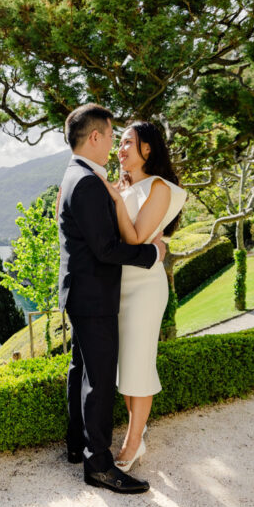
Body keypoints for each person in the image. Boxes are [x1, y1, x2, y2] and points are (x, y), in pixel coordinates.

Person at [57, 103, 166, 495]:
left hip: (81, 290)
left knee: (81, 371)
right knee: (99, 380)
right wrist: (151, 255)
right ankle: (99, 465)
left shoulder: (75, 176)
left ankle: (76, 445)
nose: (114, 146)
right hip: (94, 292)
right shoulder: (86, 181)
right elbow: (105, 249)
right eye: (111, 135)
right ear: (96, 137)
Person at [102, 121, 187, 472]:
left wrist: (115, 198)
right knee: (125, 367)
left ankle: (133, 442)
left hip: (144, 289)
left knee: (139, 363)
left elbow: (136, 239)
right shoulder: (120, 188)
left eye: (127, 142)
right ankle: (138, 426)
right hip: (116, 285)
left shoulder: (159, 188)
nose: (120, 149)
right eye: (119, 143)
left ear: (147, 149)